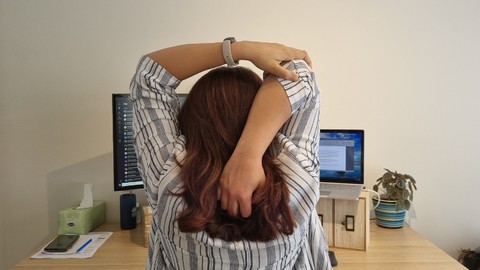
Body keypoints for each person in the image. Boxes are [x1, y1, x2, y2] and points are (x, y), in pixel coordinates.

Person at [130, 39, 332, 269]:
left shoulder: (168, 181)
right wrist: (249, 153)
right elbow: (298, 72)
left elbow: (150, 77)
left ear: (189, 120)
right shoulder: (296, 180)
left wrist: (239, 49)